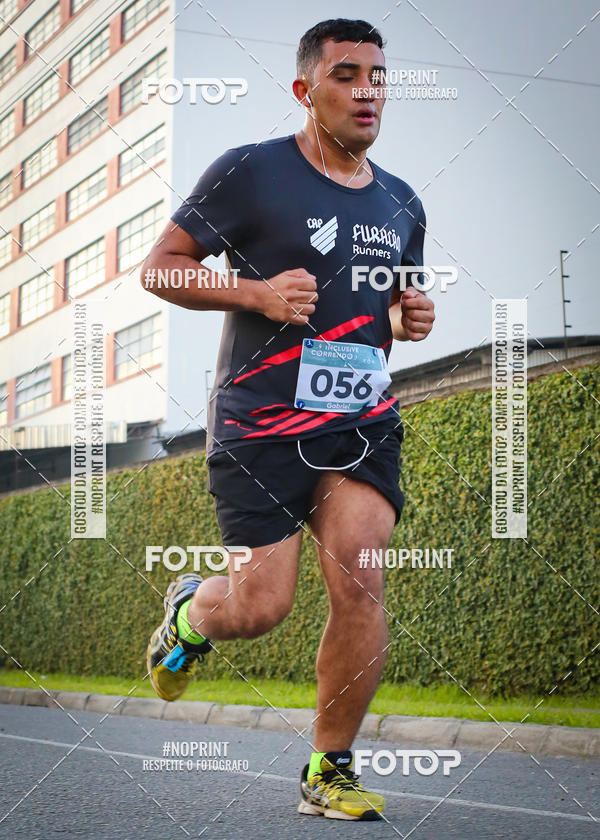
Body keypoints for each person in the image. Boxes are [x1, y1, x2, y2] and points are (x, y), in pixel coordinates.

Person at [141, 18, 435, 822]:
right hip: (261, 419)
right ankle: (191, 611)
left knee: (362, 580)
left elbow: (387, 311)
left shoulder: (402, 200)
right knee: (260, 605)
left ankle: (329, 770)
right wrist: (256, 294)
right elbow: (159, 267)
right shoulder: (249, 171)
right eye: (346, 74)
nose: (367, 89)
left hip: (360, 420)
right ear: (306, 91)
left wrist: (409, 318)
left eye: (379, 74)